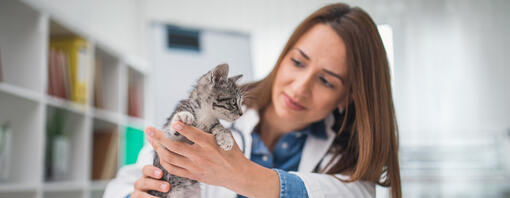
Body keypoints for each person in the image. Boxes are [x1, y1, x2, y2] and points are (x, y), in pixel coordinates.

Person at [104, 2, 401, 198]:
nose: (299, 88)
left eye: (325, 81)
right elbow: (122, 185)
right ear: (283, 56)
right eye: (298, 62)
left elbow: (354, 193)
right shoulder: (213, 107)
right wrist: (137, 194)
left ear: (347, 98)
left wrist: (244, 176)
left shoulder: (346, 156)